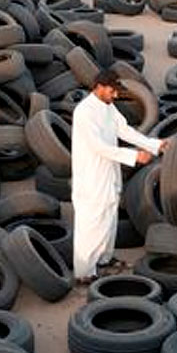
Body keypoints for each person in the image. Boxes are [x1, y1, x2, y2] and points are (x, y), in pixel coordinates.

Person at [70, 68, 167, 283]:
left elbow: (125, 131)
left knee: (109, 219)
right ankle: (84, 273)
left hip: (109, 173)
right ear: (99, 87)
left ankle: (104, 259)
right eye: (112, 91)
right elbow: (99, 147)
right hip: (91, 177)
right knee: (91, 224)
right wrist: (133, 156)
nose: (115, 96)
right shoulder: (84, 112)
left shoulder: (108, 107)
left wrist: (155, 145)